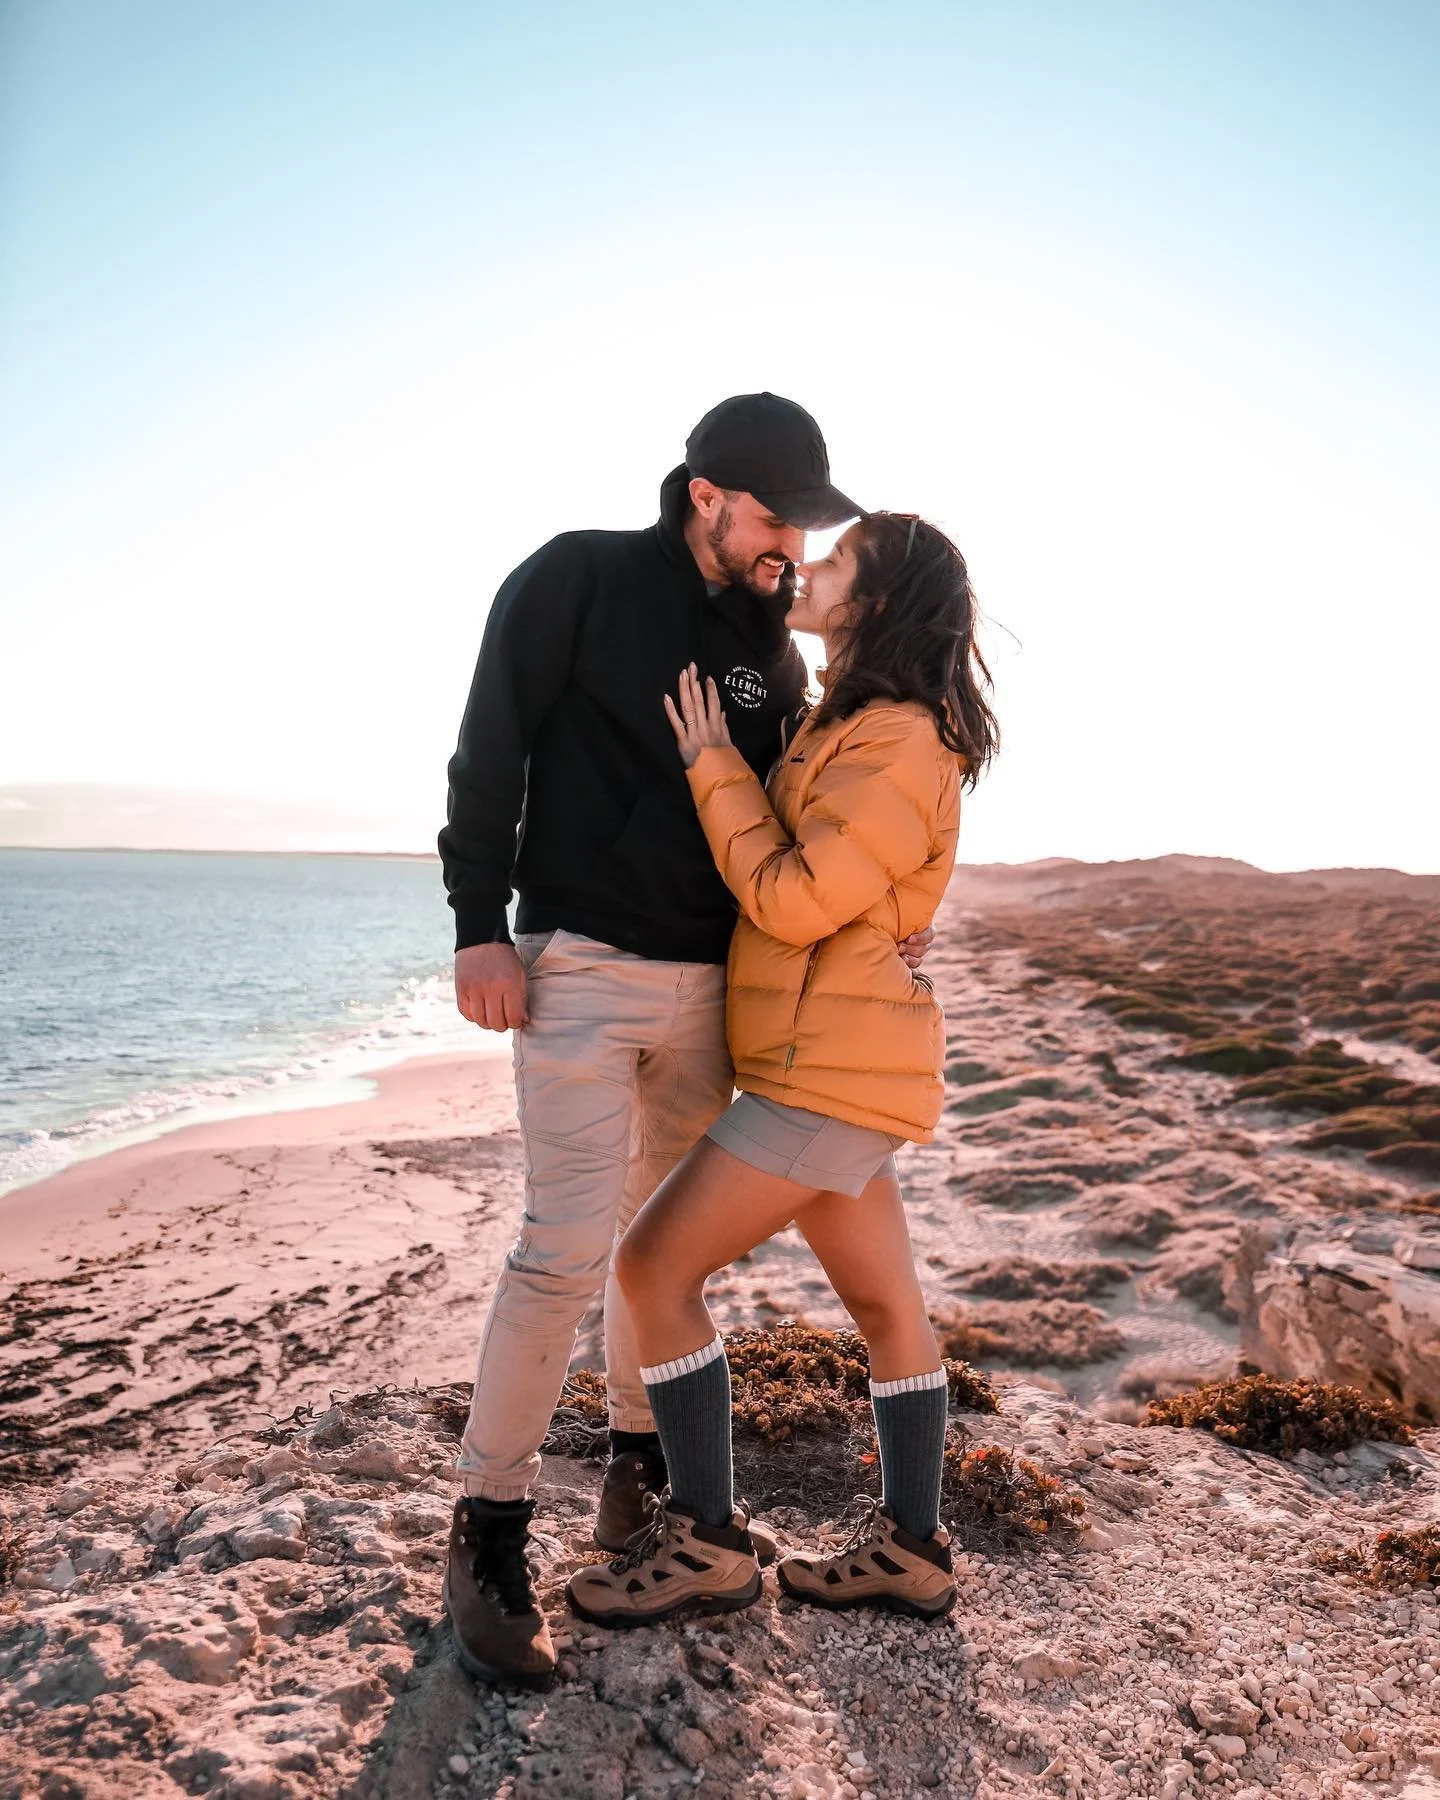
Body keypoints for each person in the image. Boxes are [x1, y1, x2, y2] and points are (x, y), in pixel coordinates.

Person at [437, 395, 933, 1687]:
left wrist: (892, 915)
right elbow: (489, 749)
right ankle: (488, 1535)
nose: (791, 548)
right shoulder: (578, 576)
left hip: (722, 992)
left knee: (661, 1249)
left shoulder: (774, 636)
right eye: (778, 519)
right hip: (581, 974)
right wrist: (479, 926)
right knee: (564, 1249)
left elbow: (819, 811)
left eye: (809, 532)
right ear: (707, 492)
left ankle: (639, 1481)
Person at [565, 510, 998, 1630]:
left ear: (881, 602)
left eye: (837, 559)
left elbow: (798, 898)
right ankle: (913, 1551)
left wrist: (713, 764)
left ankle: (704, 1539)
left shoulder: (897, 736)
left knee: (653, 1267)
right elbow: (853, 884)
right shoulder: (841, 724)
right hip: (832, 1059)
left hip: (827, 1074)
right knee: (885, 1306)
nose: (808, 565)